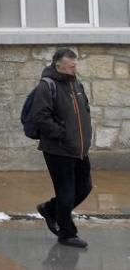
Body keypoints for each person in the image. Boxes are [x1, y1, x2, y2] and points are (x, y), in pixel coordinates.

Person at [28, 48, 93, 249]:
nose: (75, 69)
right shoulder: (47, 86)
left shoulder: (76, 84)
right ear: (59, 66)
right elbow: (40, 116)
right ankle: (67, 234)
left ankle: (49, 209)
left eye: (75, 65)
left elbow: (85, 110)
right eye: (71, 66)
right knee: (66, 192)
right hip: (58, 149)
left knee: (85, 187)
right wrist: (62, 134)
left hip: (79, 149)